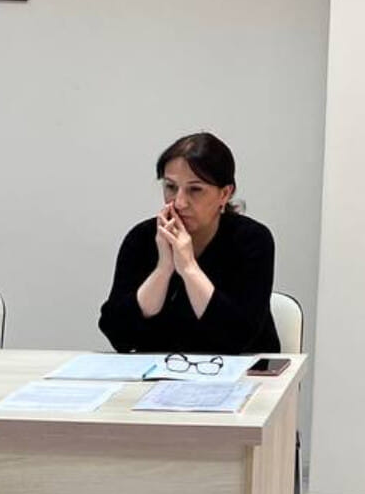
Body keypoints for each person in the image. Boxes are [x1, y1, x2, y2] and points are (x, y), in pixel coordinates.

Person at [98, 132, 279, 355]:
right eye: (171, 187)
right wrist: (163, 269)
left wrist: (188, 267)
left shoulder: (252, 240)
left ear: (224, 194)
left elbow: (236, 338)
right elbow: (118, 335)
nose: (179, 202)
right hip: (160, 370)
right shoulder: (142, 238)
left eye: (195, 189)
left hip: (242, 371)